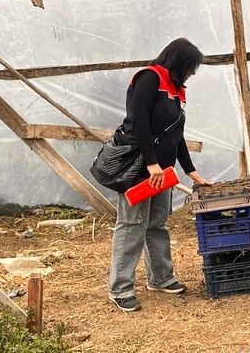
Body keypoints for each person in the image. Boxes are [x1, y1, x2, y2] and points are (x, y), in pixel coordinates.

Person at [108, 38, 212, 312]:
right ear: (179, 61)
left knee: (156, 223)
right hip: (140, 169)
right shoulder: (149, 78)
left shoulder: (176, 90)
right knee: (132, 225)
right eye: (191, 67)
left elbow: (175, 134)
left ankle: (161, 278)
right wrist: (151, 163)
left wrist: (190, 171)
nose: (193, 73)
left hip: (162, 172)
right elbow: (139, 121)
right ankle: (120, 288)